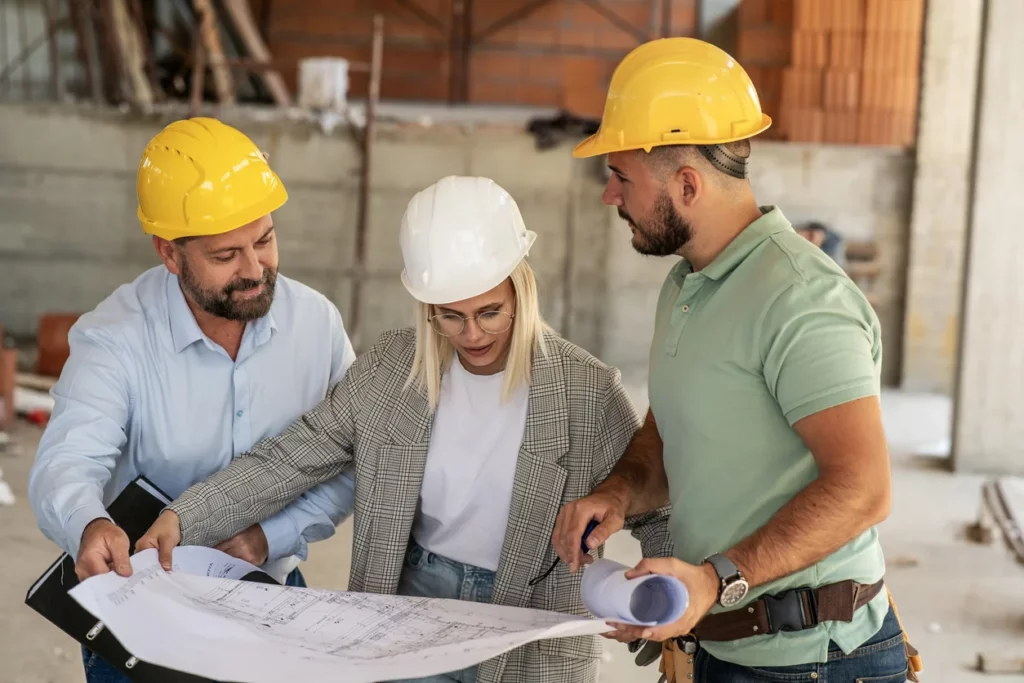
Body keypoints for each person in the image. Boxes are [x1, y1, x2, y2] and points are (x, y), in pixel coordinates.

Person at [136, 175, 674, 683]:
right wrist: (185, 517)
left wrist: (660, 596)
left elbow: (655, 505)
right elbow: (290, 458)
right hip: (410, 608)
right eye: (449, 316)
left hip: (534, 626)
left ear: (521, 289)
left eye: (490, 311)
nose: (472, 335)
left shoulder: (585, 392)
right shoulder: (391, 371)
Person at [551, 37, 922, 682]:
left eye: (621, 177)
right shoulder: (688, 285)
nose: (611, 197)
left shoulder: (803, 300)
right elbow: (676, 424)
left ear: (687, 184)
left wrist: (716, 579)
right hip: (719, 648)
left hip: (812, 661)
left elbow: (863, 488)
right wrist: (621, 492)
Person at [27, 117, 358, 683]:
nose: (255, 270)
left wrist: (268, 539)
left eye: (265, 239)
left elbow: (349, 458)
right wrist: (88, 524)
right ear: (169, 253)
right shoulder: (116, 336)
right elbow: (66, 463)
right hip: (143, 615)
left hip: (270, 598)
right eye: (226, 255)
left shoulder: (316, 324)